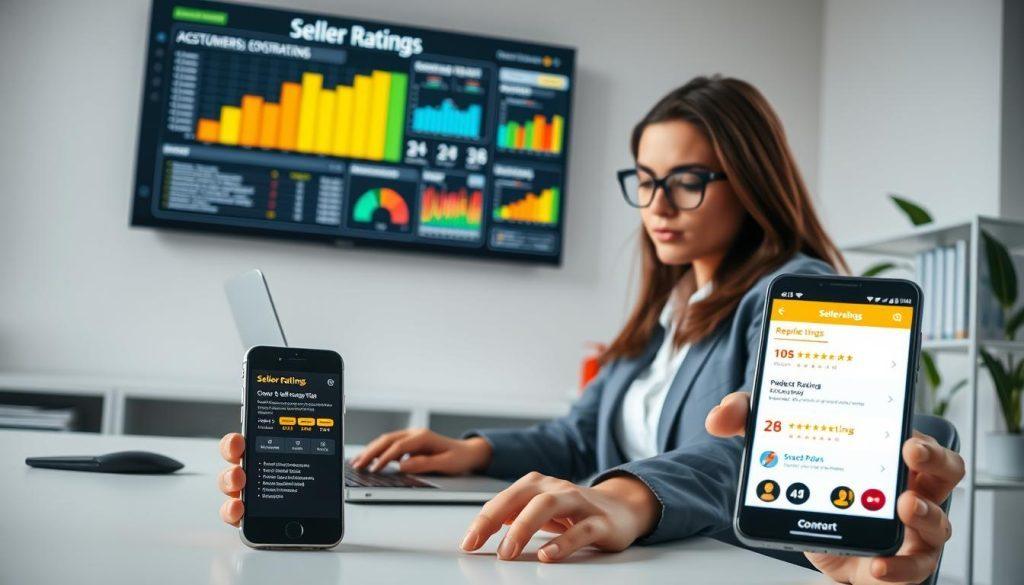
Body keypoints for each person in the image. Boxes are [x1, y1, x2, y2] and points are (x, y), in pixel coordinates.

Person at [217, 76, 964, 584]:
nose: (658, 203)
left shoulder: (798, 293)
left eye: (687, 179)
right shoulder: (667, 308)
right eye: (644, 179)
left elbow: (760, 446)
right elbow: (578, 434)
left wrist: (629, 497)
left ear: (752, 180)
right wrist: (471, 448)